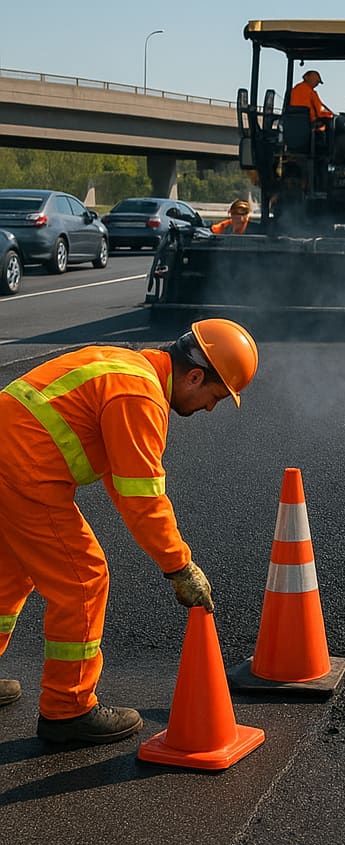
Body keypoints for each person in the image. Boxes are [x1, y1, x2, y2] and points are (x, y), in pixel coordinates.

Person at [0, 319, 259, 744]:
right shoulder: (140, 396)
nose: (209, 408)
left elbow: (124, 485)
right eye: (213, 396)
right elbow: (142, 499)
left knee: (10, 574)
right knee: (83, 579)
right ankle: (68, 709)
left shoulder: (125, 366)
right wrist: (179, 566)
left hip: (9, 457)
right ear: (194, 375)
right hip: (22, 470)